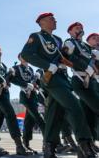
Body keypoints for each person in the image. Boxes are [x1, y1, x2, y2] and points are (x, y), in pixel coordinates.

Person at [21, 12, 96, 158]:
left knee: (54, 114)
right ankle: (84, 144)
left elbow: (66, 57)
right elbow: (27, 55)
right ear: (42, 22)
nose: (55, 20)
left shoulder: (58, 39)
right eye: (51, 19)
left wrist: (84, 66)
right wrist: (48, 66)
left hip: (63, 77)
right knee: (75, 107)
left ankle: (49, 147)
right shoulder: (36, 36)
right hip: (52, 79)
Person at [0, 46, 32, 155]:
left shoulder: (4, 66)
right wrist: (2, 79)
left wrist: (22, 83)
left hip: (5, 93)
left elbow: (12, 80)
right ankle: (19, 146)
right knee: (10, 114)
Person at [63, 22, 99, 150]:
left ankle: (88, 145)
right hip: (80, 80)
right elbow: (66, 58)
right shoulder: (69, 43)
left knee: (90, 115)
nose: (80, 30)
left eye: (81, 28)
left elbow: (93, 62)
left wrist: (94, 66)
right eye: (77, 28)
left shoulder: (86, 46)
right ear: (70, 32)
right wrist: (86, 67)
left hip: (92, 81)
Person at [11, 53, 45, 154]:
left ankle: (26, 144)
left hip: (34, 96)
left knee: (29, 122)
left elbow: (34, 83)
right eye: (22, 56)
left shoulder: (30, 69)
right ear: (19, 58)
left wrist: (38, 81)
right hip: (25, 96)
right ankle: (48, 143)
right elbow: (13, 79)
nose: (25, 58)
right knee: (39, 118)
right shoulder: (16, 68)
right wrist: (26, 85)